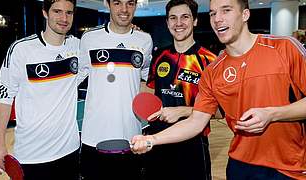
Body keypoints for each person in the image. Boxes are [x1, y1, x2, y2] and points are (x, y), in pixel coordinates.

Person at [131, 0, 306, 179]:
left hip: (289, 168)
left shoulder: (285, 48)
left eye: (226, 10)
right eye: (213, 13)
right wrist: (151, 139)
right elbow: (196, 121)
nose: (217, 19)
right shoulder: (213, 71)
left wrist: (272, 114)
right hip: (240, 165)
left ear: (245, 14)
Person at [0, 0, 83, 179]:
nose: (64, 18)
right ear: (45, 13)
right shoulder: (21, 50)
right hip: (32, 156)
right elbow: (4, 98)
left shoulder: (78, 47)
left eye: (69, 13)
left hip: (70, 151)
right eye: (57, 11)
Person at [79, 0, 153, 179]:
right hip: (94, 137)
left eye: (130, 3)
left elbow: (145, 81)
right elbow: (74, 78)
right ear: (107, 4)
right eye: (118, 3)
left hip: (131, 138)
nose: (124, 9)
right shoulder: (89, 39)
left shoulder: (145, 40)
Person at [142, 0, 216, 179]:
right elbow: (151, 93)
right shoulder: (160, 56)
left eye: (185, 17)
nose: (179, 23)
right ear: (167, 23)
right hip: (159, 138)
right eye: (173, 18)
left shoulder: (209, 60)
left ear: (195, 20)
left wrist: (182, 111)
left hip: (193, 142)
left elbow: (220, 111)